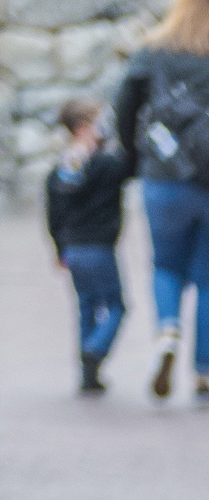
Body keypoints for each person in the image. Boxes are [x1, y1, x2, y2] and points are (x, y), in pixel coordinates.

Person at [115, 0, 209, 405]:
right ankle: (204, 375)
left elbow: (123, 111)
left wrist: (134, 162)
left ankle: (168, 328)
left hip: (165, 179)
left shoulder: (152, 51)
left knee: (165, 265)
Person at [44, 97, 129, 394]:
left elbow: (53, 213)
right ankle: (95, 348)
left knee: (86, 307)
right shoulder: (106, 165)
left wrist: (59, 249)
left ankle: (87, 375)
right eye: (99, 122)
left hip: (73, 249)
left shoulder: (60, 170)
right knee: (117, 306)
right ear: (83, 128)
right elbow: (129, 166)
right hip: (100, 247)